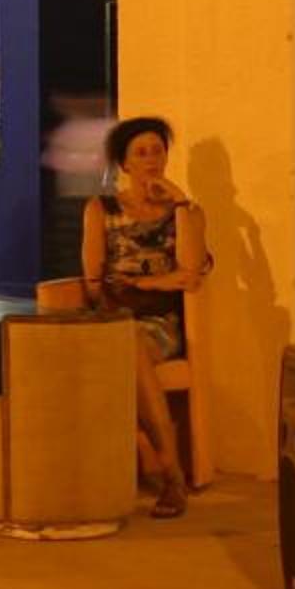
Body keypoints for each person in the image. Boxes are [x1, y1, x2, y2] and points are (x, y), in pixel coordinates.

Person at [76, 115, 201, 518]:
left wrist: (179, 202)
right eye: (141, 153)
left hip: (158, 324)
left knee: (130, 342)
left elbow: (191, 272)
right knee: (121, 339)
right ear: (124, 163)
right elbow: (93, 281)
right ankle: (169, 470)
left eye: (157, 151)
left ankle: (169, 473)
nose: (151, 160)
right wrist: (158, 281)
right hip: (110, 317)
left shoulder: (185, 212)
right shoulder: (102, 209)